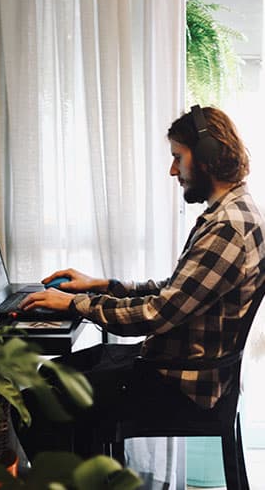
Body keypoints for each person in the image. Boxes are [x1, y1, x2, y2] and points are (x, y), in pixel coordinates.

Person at [15, 106, 265, 460]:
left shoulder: (227, 228)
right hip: (177, 368)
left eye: (178, 157)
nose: (173, 170)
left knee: (35, 402)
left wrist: (74, 304)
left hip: (181, 385)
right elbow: (175, 291)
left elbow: (155, 315)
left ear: (207, 157)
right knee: (55, 375)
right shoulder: (233, 211)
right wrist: (102, 285)